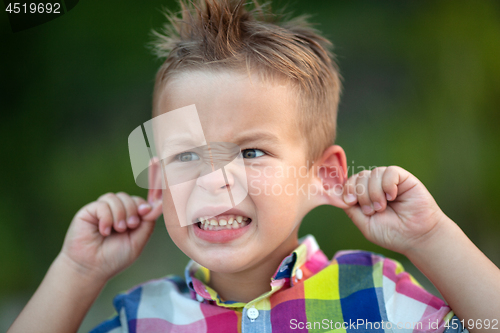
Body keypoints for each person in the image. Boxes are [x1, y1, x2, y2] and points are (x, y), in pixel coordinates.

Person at [8, 0, 500, 332]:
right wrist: (77, 271)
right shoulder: (145, 316)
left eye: (251, 152)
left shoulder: (372, 297)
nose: (214, 179)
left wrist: (430, 236)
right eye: (187, 155)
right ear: (159, 186)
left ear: (323, 175)